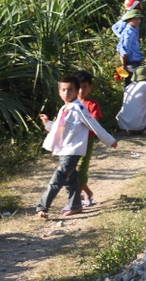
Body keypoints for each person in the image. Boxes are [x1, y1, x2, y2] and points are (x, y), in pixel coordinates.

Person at [35, 75, 117, 219]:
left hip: (73, 150)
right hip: (63, 149)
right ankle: (76, 205)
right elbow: (60, 128)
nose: (66, 93)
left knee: (58, 177)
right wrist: (47, 123)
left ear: (76, 91)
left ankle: (42, 206)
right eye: (63, 90)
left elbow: (94, 125)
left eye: (70, 90)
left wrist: (110, 140)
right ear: (59, 92)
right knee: (71, 179)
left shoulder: (79, 108)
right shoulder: (64, 108)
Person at [73, 70, 103, 208]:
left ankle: (75, 202)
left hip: (86, 141)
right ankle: (88, 193)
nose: (81, 90)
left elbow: (95, 123)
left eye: (85, 87)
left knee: (80, 170)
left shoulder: (92, 104)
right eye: (78, 87)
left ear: (90, 87)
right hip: (72, 142)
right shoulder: (70, 104)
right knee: (71, 171)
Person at [116, 9, 144, 83]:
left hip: (134, 64)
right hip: (131, 65)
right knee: (134, 86)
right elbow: (125, 51)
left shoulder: (132, 31)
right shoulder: (129, 32)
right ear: (129, 20)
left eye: (139, 19)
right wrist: (123, 65)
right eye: (135, 19)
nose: (138, 21)